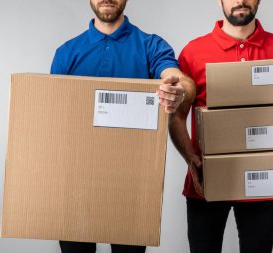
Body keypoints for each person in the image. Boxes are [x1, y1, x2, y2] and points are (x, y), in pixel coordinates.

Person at [50, 0, 195, 252]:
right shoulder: (66, 53)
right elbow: (55, 121)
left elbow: (178, 78)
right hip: (76, 185)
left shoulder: (151, 46)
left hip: (133, 184)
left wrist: (179, 90)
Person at [169, 0, 273, 252]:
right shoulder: (193, 51)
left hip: (263, 183)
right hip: (206, 182)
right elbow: (176, 117)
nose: (240, 1)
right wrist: (191, 159)